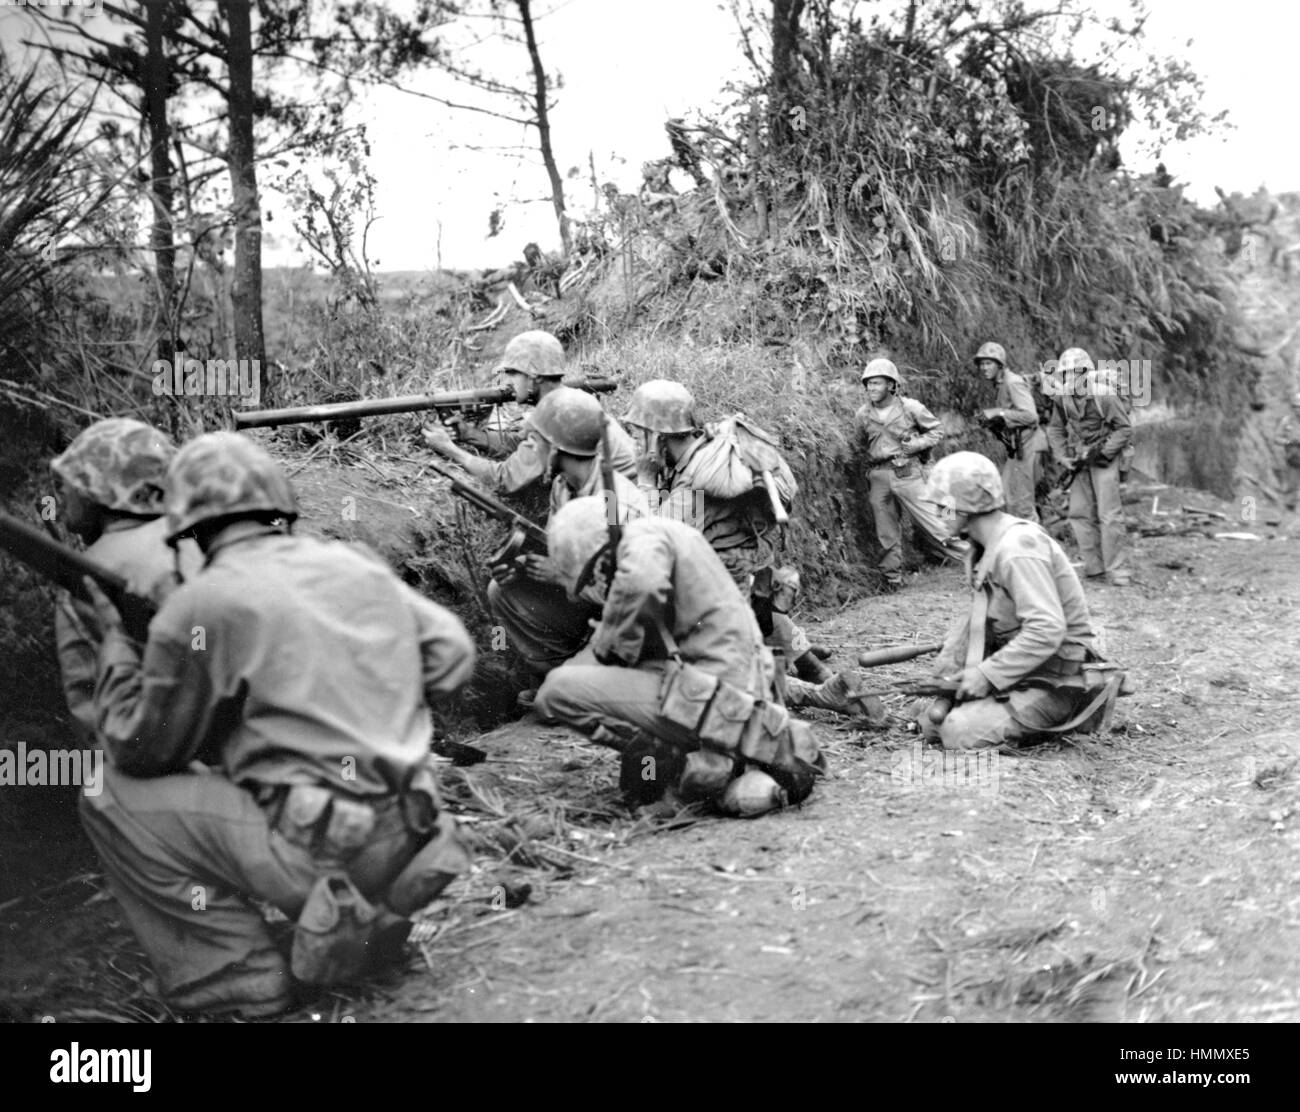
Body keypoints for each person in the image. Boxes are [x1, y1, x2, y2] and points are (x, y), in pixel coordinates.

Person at [79, 431, 476, 1018]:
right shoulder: (353, 563)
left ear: (187, 524)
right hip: (412, 831)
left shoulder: (200, 606)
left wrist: (116, 645)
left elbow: (142, 750)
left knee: (106, 793)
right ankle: (363, 924)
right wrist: (371, 698)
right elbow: (453, 653)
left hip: (322, 850)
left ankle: (233, 977)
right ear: (279, 503)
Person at [534, 497, 819, 815]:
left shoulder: (642, 540)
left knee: (555, 692)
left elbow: (640, 585)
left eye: (591, 576)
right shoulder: (668, 536)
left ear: (598, 556)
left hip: (716, 698)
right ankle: (695, 760)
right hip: (734, 690)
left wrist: (607, 644)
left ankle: (678, 762)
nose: (596, 585)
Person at [620, 379, 831, 694]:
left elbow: (653, 534)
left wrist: (645, 481)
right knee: (766, 617)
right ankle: (815, 667)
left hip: (725, 575)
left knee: (731, 673)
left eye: (640, 434)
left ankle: (816, 693)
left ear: (658, 438)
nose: (636, 442)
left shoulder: (695, 482)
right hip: (754, 562)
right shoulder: (709, 453)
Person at [915, 451, 1127, 750]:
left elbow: (1046, 629)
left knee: (957, 733)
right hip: (1027, 671)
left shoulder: (1016, 549)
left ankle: (1076, 715)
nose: (939, 515)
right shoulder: (982, 550)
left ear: (964, 506)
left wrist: (987, 675)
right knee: (930, 725)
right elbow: (978, 625)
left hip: (1058, 681)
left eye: (943, 507)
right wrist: (952, 674)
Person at [48, 418, 202, 741]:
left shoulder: (87, 579)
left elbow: (96, 720)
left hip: (162, 759)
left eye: (72, 480)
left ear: (99, 489)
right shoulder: (204, 543)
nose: (61, 492)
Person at [488, 386, 648, 683]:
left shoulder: (617, 505)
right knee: (500, 591)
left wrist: (561, 577)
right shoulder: (563, 487)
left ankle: (582, 686)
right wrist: (522, 566)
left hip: (627, 626)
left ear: (557, 448)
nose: (530, 448)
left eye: (536, 441)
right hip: (586, 605)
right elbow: (555, 551)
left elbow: (633, 595)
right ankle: (551, 672)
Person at [421, 329, 637, 493]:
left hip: (618, 509)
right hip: (633, 495)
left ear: (533, 375)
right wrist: (469, 434)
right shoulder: (564, 400)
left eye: (513, 373)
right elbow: (521, 444)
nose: (508, 382)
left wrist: (449, 449)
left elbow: (505, 479)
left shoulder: (556, 412)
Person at [855, 357, 967, 589]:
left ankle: (980, 560)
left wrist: (917, 445)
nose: (871, 388)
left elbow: (937, 430)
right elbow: (858, 446)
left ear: (891, 385)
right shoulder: (863, 414)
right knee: (886, 533)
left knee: (940, 524)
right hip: (878, 476)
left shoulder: (911, 408)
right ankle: (892, 580)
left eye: (877, 383)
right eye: (869, 384)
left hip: (909, 473)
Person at [1044, 347, 1133, 586]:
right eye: (1066, 375)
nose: (1070, 379)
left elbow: (1124, 428)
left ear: (1086, 373)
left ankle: (1117, 569)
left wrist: (1104, 452)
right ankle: (1094, 567)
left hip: (1105, 456)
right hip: (1081, 457)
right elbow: (1055, 428)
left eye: (1076, 373)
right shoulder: (1062, 399)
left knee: (1109, 514)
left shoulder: (1104, 396)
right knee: (1079, 513)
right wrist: (1062, 457)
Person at [972, 342, 1048, 522]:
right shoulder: (1001, 383)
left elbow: (1031, 416)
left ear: (1000, 365)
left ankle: (1035, 545)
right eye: (981, 364)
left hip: (1028, 446)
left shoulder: (1012, 382)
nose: (984, 368)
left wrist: (999, 413)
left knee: (1021, 504)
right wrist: (996, 422)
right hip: (1019, 448)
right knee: (1008, 497)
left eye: (988, 363)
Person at [1274, 390, 1300, 512]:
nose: (1298, 409)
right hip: (1293, 458)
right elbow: (1276, 438)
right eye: (1296, 406)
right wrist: (1288, 442)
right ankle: (1290, 510)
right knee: (1291, 486)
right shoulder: (1287, 421)